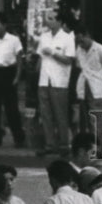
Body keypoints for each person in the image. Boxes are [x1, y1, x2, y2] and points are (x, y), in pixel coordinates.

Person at [35, 8, 75, 157]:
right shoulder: (44, 36)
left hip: (59, 80)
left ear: (59, 21)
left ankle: (64, 144)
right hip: (44, 79)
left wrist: (53, 53)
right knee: (45, 114)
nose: (48, 21)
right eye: (48, 18)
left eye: (52, 18)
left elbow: (69, 60)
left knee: (60, 114)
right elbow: (40, 57)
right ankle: (49, 144)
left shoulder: (67, 37)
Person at [0, 15, 25, 148]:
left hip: (9, 73)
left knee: (12, 109)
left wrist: (17, 77)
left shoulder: (14, 40)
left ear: (4, 25)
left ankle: (19, 138)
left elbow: (19, 59)